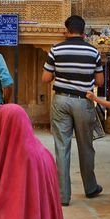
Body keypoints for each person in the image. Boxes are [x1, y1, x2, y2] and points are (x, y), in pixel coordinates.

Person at [41, 14, 104, 203]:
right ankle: (91, 187)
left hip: (61, 100)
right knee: (86, 145)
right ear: (83, 31)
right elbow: (99, 81)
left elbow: (45, 78)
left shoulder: (56, 50)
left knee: (62, 146)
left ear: (66, 30)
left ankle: (63, 195)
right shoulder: (93, 52)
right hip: (83, 101)